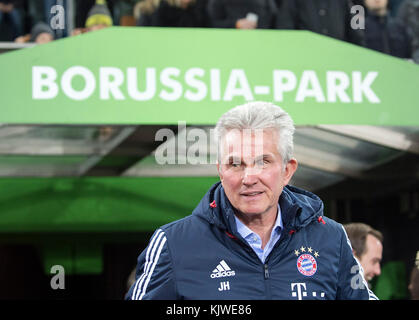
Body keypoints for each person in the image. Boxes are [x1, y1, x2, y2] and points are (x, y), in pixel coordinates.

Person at [125, 101, 378, 300]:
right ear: (220, 171)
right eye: (235, 164)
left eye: (263, 162)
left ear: (287, 171)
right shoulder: (173, 243)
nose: (249, 177)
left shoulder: (331, 238)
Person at [275, 0, 365, 46]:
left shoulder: (343, 2)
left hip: (338, 56)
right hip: (305, 57)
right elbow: (285, 30)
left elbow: (356, 34)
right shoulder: (293, 2)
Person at [207, 0, 278, 29]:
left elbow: (273, 15)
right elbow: (213, 23)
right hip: (230, 39)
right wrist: (236, 24)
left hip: (261, 37)